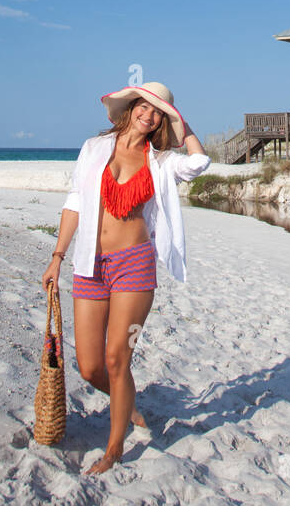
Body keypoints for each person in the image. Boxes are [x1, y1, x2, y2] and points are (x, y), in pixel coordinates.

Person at [41, 82, 210, 474]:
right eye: (144, 107)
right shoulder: (93, 149)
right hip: (90, 265)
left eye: (158, 113)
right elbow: (75, 203)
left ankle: (114, 449)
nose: (149, 116)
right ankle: (128, 403)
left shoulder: (161, 160)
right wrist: (56, 258)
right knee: (89, 366)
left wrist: (183, 125)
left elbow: (200, 163)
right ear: (131, 107)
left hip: (134, 268)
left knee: (118, 357)